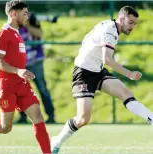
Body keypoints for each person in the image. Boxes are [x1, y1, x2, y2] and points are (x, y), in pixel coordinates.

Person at [51, 6, 153, 153]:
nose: (132, 26)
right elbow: (107, 60)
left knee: (125, 93)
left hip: (97, 70)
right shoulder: (110, 31)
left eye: (135, 23)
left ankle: (151, 118)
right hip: (83, 73)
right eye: (130, 22)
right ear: (121, 18)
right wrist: (129, 73)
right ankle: (57, 141)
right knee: (83, 119)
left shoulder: (110, 26)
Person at [0, 1, 51, 153]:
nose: (27, 16)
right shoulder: (4, 33)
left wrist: (22, 73)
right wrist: (18, 70)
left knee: (38, 117)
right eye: (24, 13)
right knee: (4, 128)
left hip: (22, 84)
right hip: (7, 86)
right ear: (13, 14)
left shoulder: (17, 33)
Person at [17, 12, 55, 124]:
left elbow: (39, 34)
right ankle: (23, 117)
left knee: (42, 88)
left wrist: (27, 24)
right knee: (20, 90)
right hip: (22, 63)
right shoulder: (15, 28)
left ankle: (51, 115)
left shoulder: (32, 22)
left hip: (36, 61)